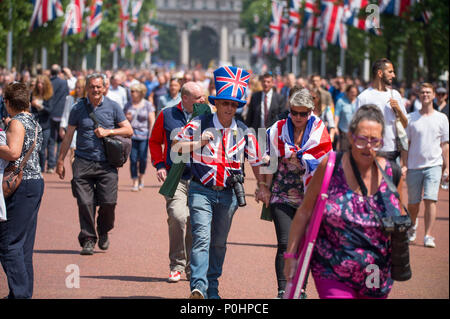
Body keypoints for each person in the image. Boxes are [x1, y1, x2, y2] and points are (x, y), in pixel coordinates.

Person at [284, 104, 407, 299]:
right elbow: (305, 211)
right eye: (362, 140)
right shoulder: (331, 166)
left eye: (374, 141)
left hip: (375, 272)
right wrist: (290, 256)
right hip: (332, 268)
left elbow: (398, 219)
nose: (368, 146)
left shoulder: (393, 173)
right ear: (350, 137)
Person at [172, 66, 266, 299]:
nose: (229, 108)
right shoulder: (198, 123)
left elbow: (256, 161)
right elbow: (176, 149)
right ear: (217, 104)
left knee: (219, 243)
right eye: (225, 103)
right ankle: (199, 287)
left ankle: (212, 288)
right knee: (202, 239)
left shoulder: (245, 131)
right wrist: (198, 142)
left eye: (234, 105)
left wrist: (262, 186)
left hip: (228, 194)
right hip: (200, 190)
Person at [257, 87, 332, 298]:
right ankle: (283, 289)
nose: (298, 117)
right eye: (294, 112)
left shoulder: (320, 130)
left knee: (303, 244)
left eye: (303, 113)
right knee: (284, 241)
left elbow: (326, 160)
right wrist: (264, 187)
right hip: (281, 192)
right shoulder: (278, 129)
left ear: (311, 111)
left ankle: (300, 289)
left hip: (309, 196)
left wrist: (306, 158)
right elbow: (269, 159)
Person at [55, 73, 133, 255]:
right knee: (85, 202)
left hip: (107, 164)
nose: (95, 90)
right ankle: (88, 239)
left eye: (99, 87)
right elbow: (68, 136)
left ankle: (104, 230)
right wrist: (60, 161)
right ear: (87, 88)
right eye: (92, 87)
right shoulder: (77, 108)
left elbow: (128, 130)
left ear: (104, 88)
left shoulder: (113, 106)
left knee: (109, 203)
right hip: (83, 161)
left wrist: (108, 132)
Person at [149, 81, 205, 283]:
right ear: (185, 98)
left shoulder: (208, 115)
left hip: (200, 177)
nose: (203, 100)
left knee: (193, 222)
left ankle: (192, 268)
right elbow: (155, 141)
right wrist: (159, 165)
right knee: (178, 217)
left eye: (203, 96)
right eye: (198, 97)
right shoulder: (167, 114)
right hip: (175, 176)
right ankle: (176, 265)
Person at [0, 82, 44, 298]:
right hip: (34, 182)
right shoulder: (33, 121)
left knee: (9, 242)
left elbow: (13, 152)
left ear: (8, 103)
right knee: (24, 244)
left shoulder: (17, 122)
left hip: (21, 183)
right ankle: (22, 292)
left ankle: (20, 293)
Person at [405, 83, 449, 248]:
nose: (425, 95)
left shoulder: (442, 118)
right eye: (422, 92)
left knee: (431, 199)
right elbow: (406, 144)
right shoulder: (411, 118)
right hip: (414, 165)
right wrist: (404, 164)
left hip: (434, 165)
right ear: (418, 95)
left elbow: (445, 145)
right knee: (413, 204)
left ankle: (428, 235)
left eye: (428, 92)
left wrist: (447, 166)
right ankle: (412, 226)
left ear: (434, 95)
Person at [355, 58, 408, 164]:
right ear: (380, 73)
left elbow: (406, 124)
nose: (393, 75)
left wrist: (398, 110)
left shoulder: (395, 95)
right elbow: (357, 127)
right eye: (390, 72)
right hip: (372, 151)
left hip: (393, 151)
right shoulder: (363, 97)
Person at [124, 82, 155, 192]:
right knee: (132, 159)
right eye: (131, 91)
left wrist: (151, 136)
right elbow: (123, 121)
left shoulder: (147, 105)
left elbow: (152, 121)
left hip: (144, 136)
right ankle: (135, 181)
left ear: (140, 93)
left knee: (142, 159)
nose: (131, 93)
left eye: (134, 91)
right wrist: (127, 118)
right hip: (131, 136)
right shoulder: (128, 105)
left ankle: (141, 177)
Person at [47, 64, 69, 173]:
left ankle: (50, 165)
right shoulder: (64, 83)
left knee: (51, 140)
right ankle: (57, 161)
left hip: (51, 113)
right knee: (61, 139)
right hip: (61, 114)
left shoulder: (49, 82)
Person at [59, 76, 86, 165]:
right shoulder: (70, 98)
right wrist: (62, 127)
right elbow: (65, 113)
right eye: (76, 87)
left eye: (80, 88)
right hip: (72, 129)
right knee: (73, 151)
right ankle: (75, 174)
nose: (77, 90)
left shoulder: (87, 100)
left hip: (83, 129)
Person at [30, 75, 53, 172]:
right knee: (34, 148)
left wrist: (39, 105)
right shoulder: (33, 94)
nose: (39, 85)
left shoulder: (49, 96)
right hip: (35, 124)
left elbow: (49, 110)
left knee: (42, 149)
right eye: (38, 83)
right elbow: (32, 110)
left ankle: (42, 168)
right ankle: (36, 167)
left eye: (42, 83)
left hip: (45, 125)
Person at [335, 85, 358, 151]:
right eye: (351, 92)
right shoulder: (341, 101)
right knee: (344, 151)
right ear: (347, 92)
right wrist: (335, 127)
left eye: (355, 92)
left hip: (356, 132)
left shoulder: (358, 101)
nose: (353, 94)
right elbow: (337, 115)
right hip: (344, 131)